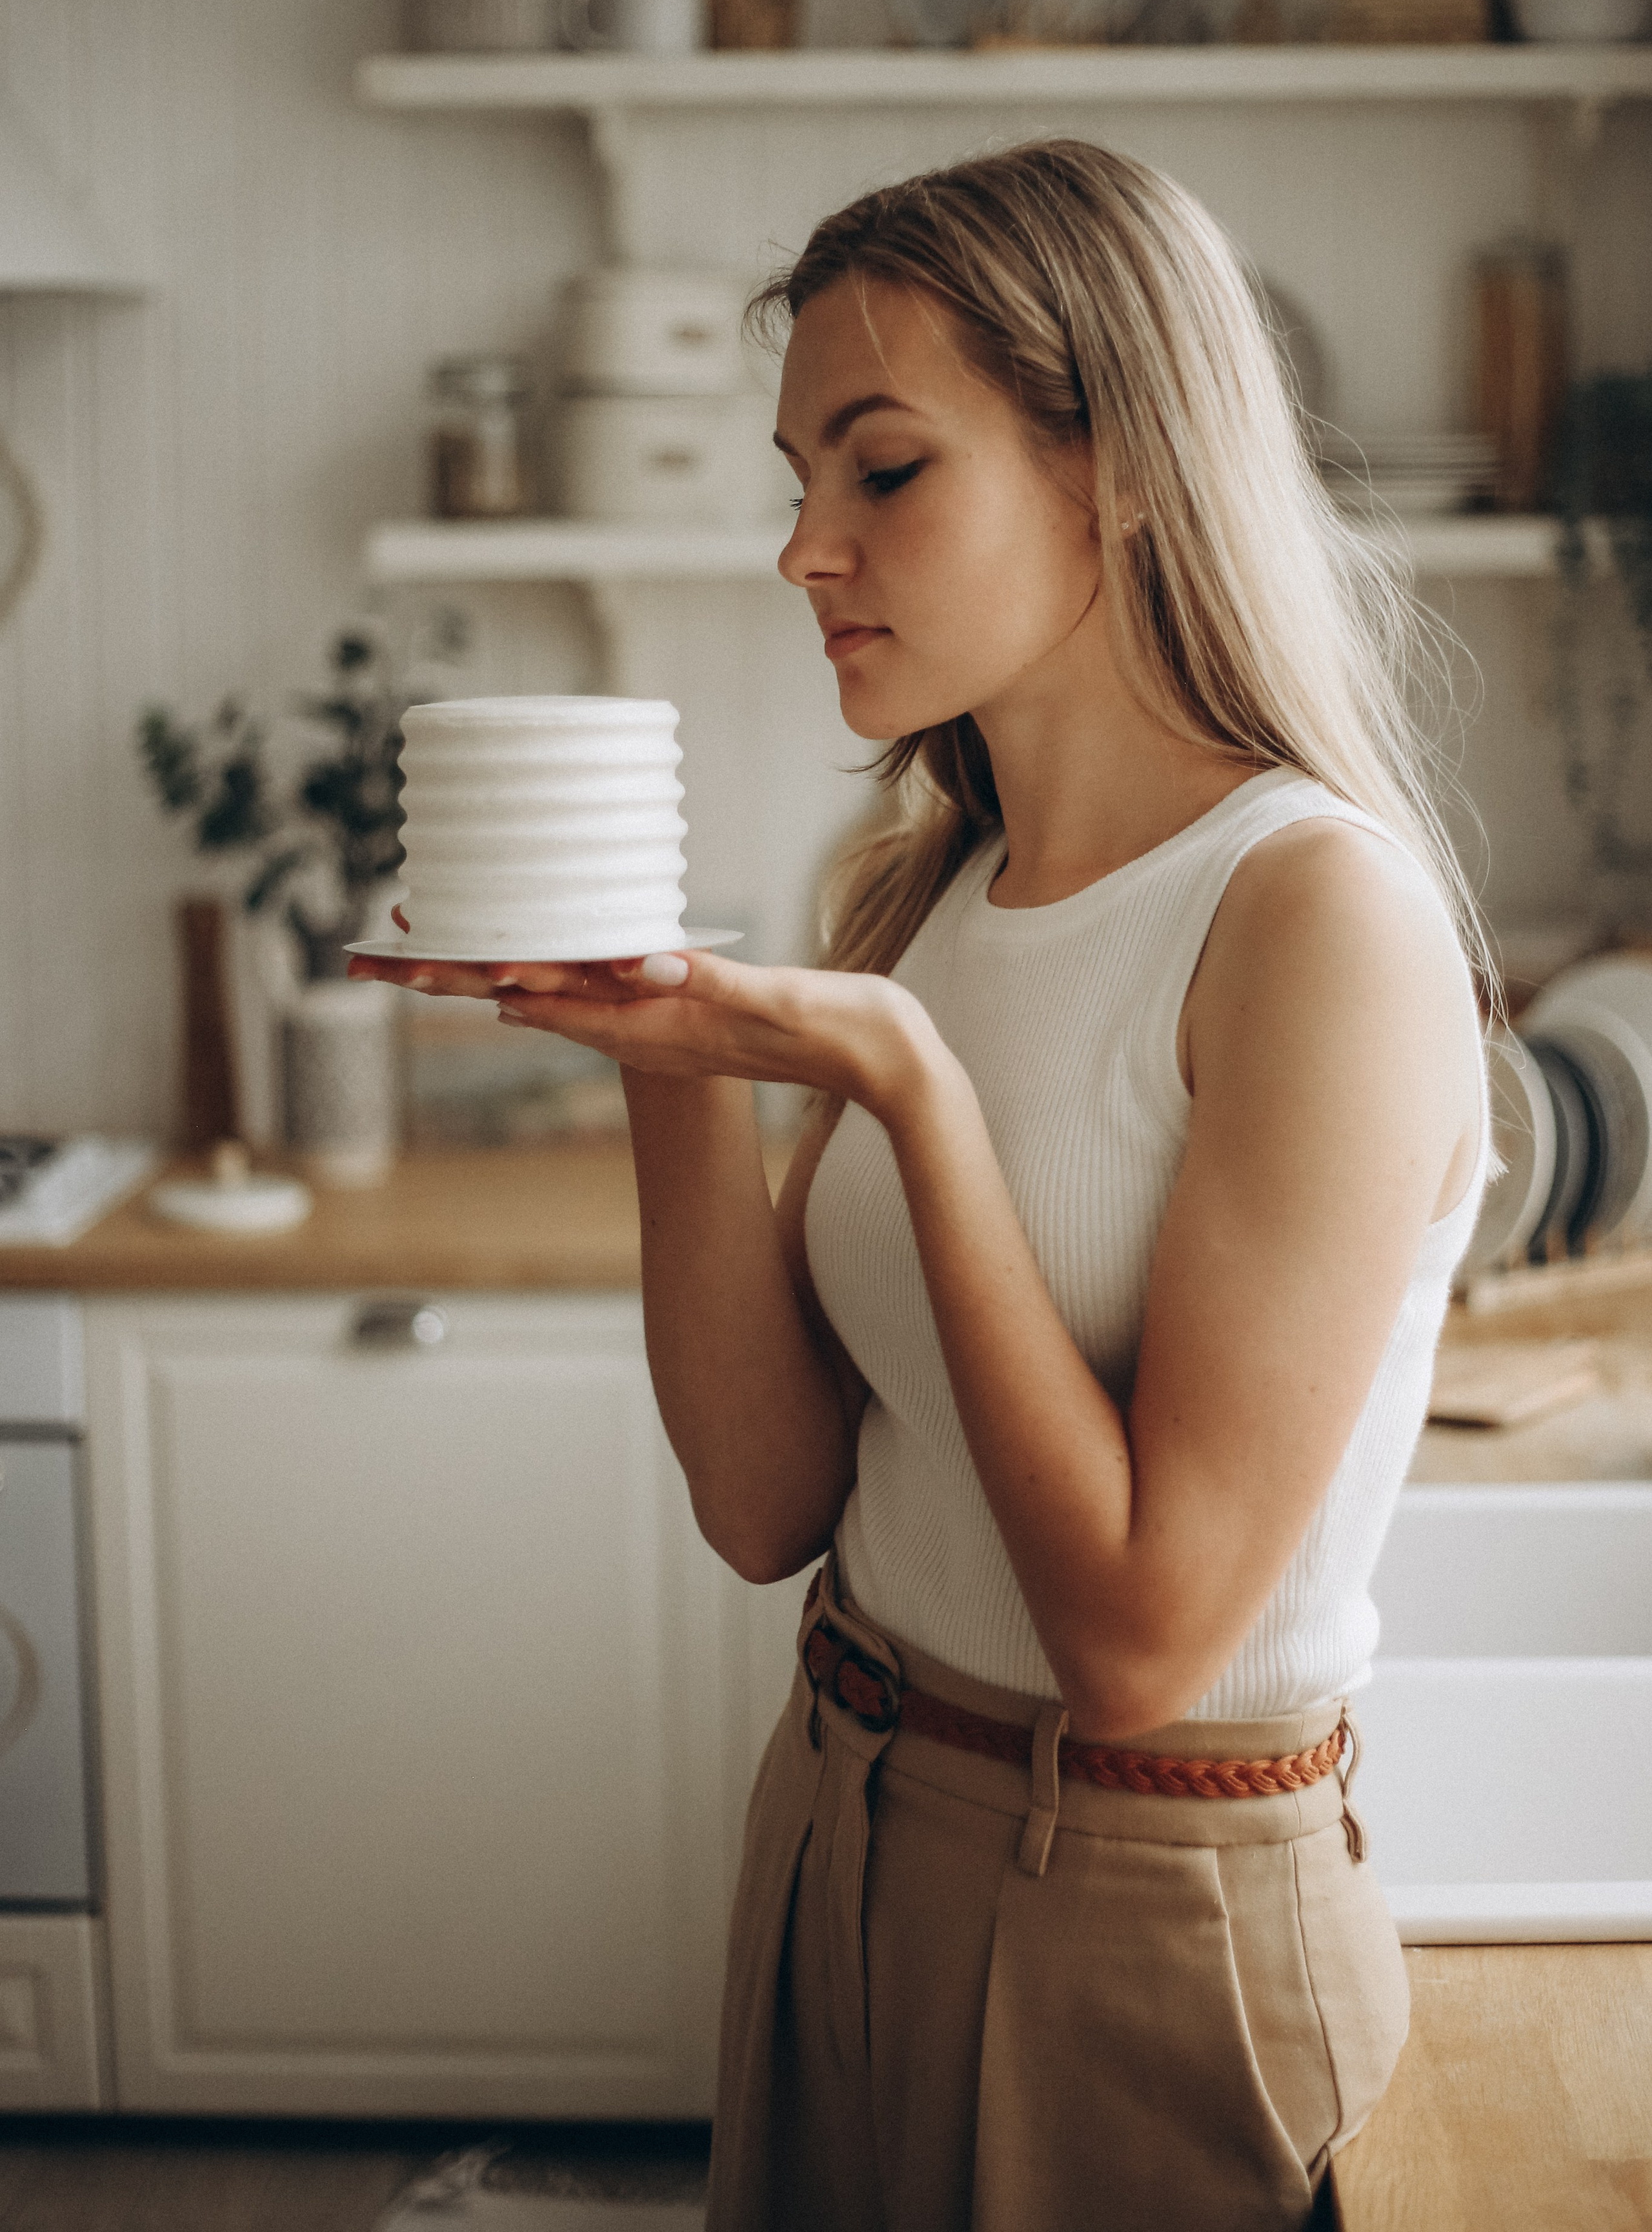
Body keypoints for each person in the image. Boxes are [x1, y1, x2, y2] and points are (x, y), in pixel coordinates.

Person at [352, 139, 1489, 2232]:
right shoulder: (922, 890)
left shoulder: (1319, 916)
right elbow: (770, 1505)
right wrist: (671, 1064)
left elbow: (1144, 1637)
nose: (807, 548)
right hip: (844, 1811)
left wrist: (904, 1084)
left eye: (883, 470)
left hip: (1139, 1905)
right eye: (797, 478)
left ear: (1118, 466)